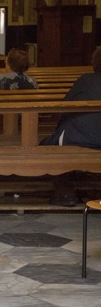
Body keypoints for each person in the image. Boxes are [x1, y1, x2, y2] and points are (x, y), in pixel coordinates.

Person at [41, 48, 101, 205]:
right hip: (87, 135)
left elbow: (65, 107)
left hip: (80, 136)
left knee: (48, 148)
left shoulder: (85, 80)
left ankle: (65, 193)